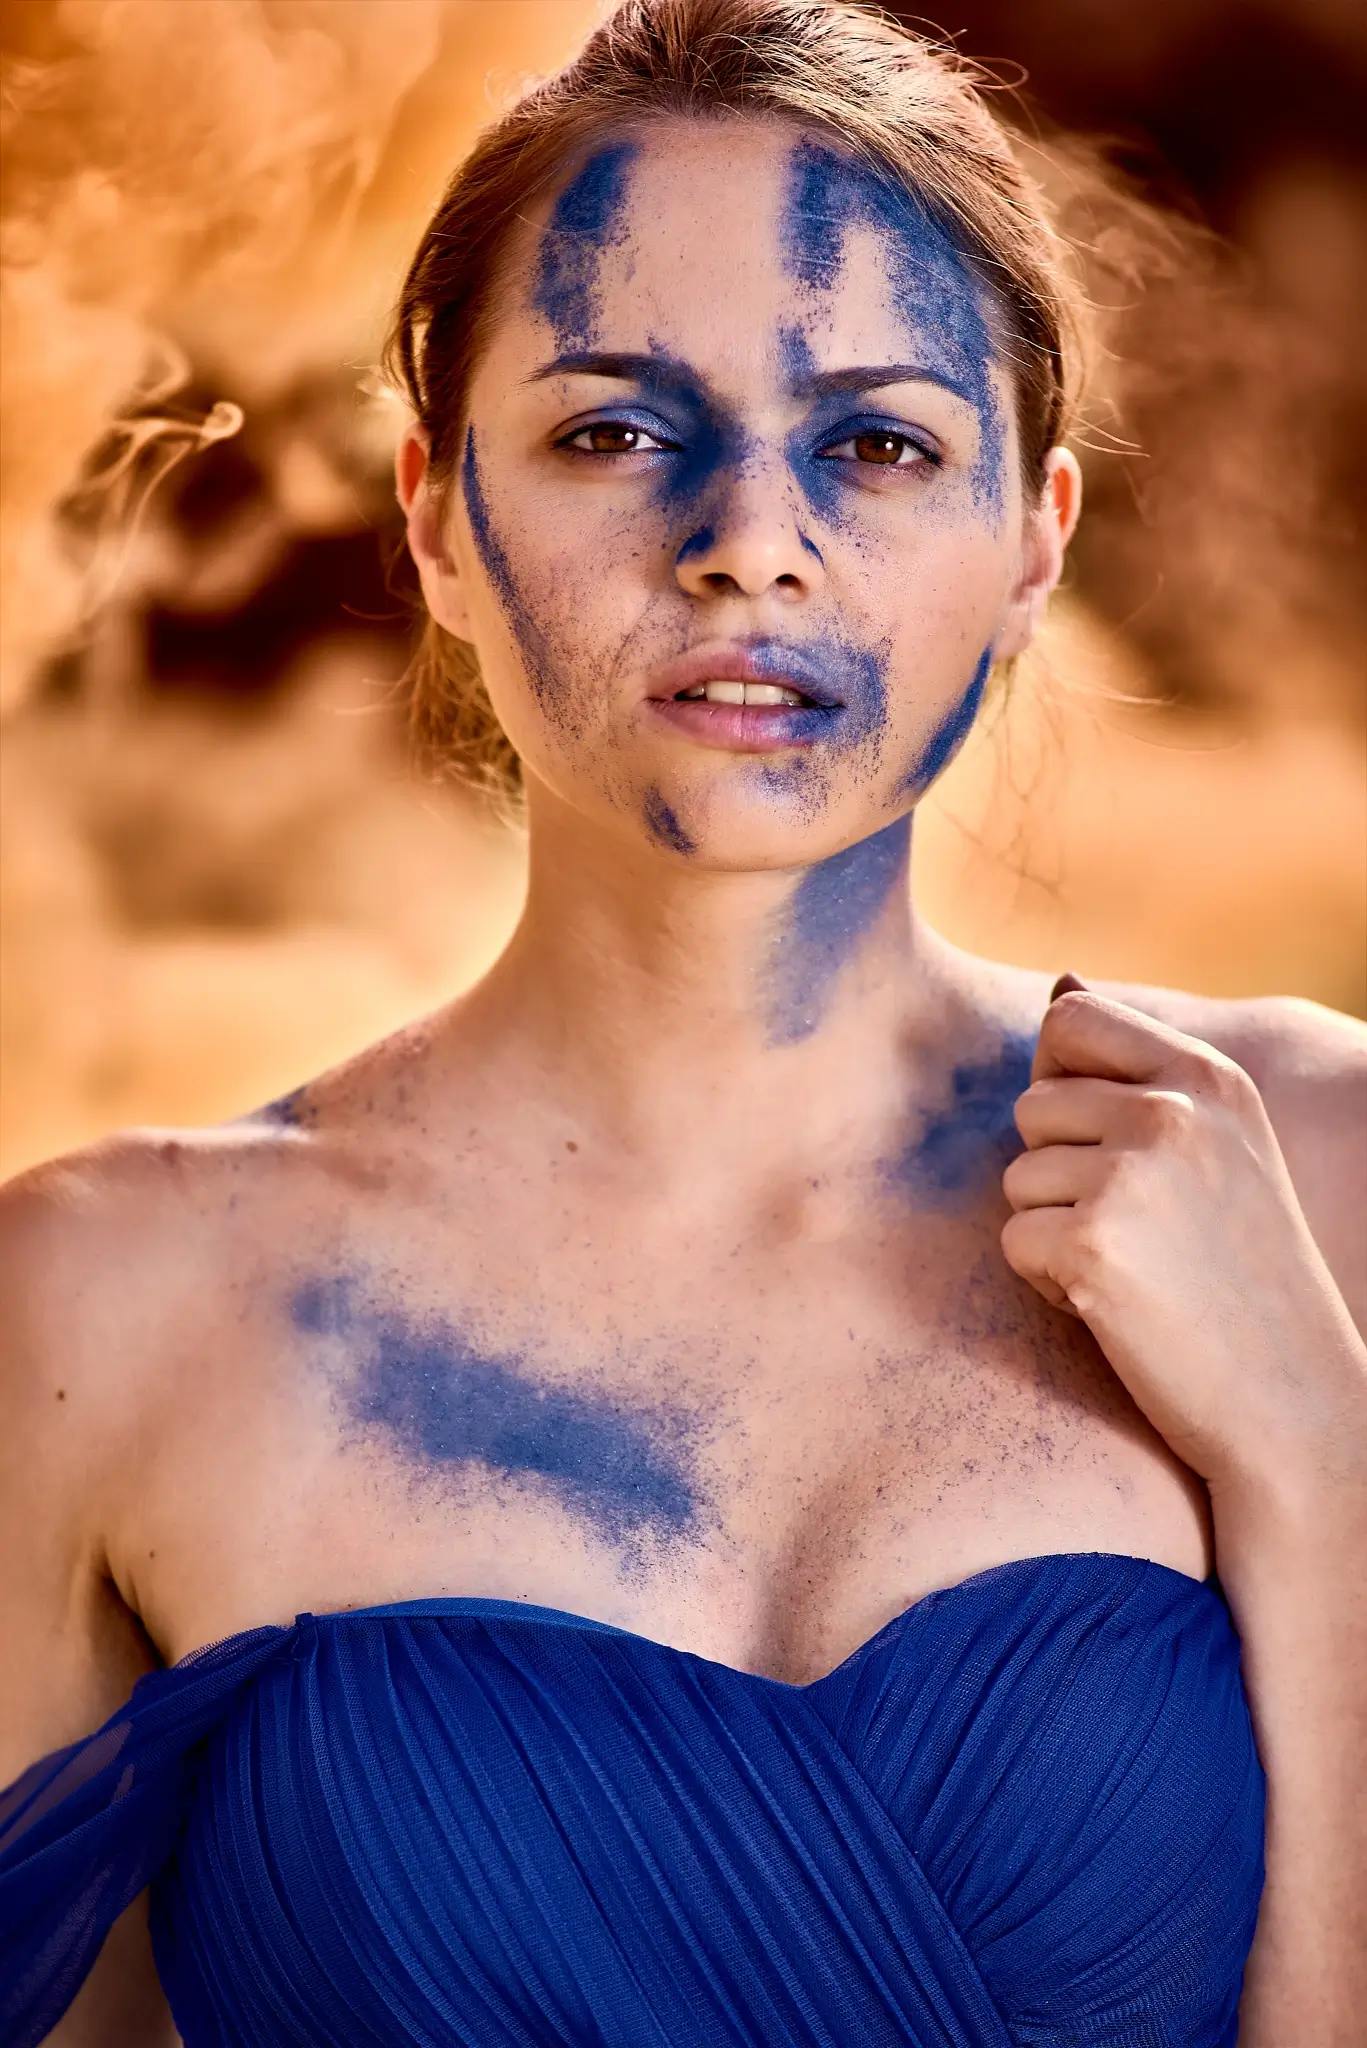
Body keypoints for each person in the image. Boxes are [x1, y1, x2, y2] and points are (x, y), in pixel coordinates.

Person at [2, 1, 1364, 2042]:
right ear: (437, 519)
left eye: (880, 442)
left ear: (1030, 546)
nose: (748, 541)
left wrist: (1321, 1467)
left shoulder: (1308, 1183)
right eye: (613, 430)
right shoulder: (95, 1313)